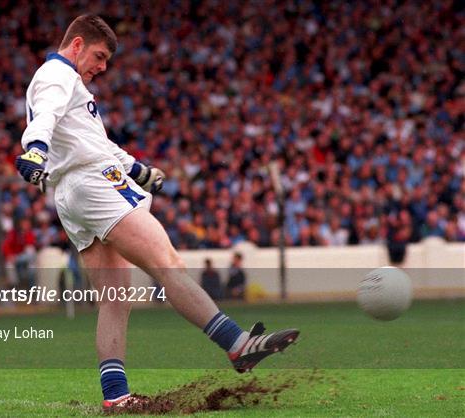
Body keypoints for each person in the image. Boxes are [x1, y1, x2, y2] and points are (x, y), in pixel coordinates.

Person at [15, 14, 299, 410]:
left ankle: (116, 398)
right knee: (167, 263)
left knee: (115, 298)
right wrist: (35, 149)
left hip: (72, 193)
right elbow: (45, 116)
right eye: (98, 56)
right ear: (76, 45)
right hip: (92, 186)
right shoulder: (57, 75)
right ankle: (238, 345)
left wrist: (136, 170)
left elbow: (90, 140)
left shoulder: (69, 82)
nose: (102, 67)